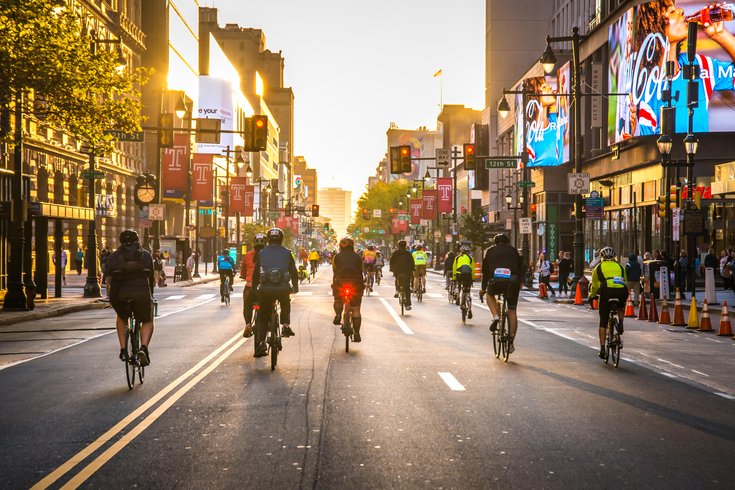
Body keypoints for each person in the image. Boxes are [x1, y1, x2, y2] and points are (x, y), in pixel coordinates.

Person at [106, 230, 155, 366]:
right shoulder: (145, 255)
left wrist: (111, 296)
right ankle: (143, 348)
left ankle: (123, 349)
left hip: (120, 293)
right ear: (137, 240)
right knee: (147, 319)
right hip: (141, 292)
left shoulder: (114, 256)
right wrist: (150, 295)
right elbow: (151, 278)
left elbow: (108, 279)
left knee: (122, 317)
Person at [252, 228, 298, 357]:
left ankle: (261, 343)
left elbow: (256, 273)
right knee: (285, 303)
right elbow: (293, 271)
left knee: (262, 316)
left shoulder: (261, 252)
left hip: (265, 289)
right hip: (282, 288)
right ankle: (285, 325)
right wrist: (295, 286)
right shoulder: (287, 253)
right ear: (281, 239)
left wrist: (255, 288)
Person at [481, 233, 523, 353]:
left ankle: (496, 316)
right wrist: (521, 281)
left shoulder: (490, 251)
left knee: (490, 295)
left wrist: (483, 289)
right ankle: (510, 342)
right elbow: (521, 267)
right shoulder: (514, 251)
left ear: (495, 242)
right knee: (512, 310)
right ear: (507, 242)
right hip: (512, 281)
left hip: (496, 280)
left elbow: (485, 272)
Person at [588, 246, 628, 360]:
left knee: (603, 322)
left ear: (602, 257)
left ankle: (602, 349)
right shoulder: (620, 267)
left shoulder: (598, 268)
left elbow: (594, 285)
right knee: (621, 306)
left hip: (607, 290)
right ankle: (620, 323)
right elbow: (625, 280)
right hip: (621, 290)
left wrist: (592, 296)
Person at [332, 237, 365, 341]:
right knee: (356, 309)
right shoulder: (357, 257)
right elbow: (361, 270)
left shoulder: (337, 256)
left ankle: (338, 314)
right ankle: (357, 333)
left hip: (340, 282)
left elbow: (334, 269)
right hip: (356, 283)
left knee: (338, 299)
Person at [240, 233, 266, 339]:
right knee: (268, 306)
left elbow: (243, 272)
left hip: (250, 288)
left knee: (247, 306)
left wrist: (244, 276)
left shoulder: (247, 255)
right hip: (264, 288)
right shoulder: (268, 255)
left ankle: (248, 324)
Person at [389, 240, 414, 310]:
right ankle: (408, 305)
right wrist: (412, 269)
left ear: (398, 246)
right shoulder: (408, 253)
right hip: (407, 271)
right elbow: (412, 262)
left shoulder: (395, 253)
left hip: (398, 271)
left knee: (397, 279)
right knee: (407, 289)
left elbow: (391, 261)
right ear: (405, 246)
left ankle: (397, 290)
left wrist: (392, 269)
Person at [452, 246, 474, 313]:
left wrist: (454, 278)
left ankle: (458, 295)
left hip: (459, 274)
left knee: (459, 285)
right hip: (468, 275)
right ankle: (469, 308)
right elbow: (472, 269)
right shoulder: (470, 258)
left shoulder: (457, 257)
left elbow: (454, 268)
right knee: (467, 291)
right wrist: (472, 279)